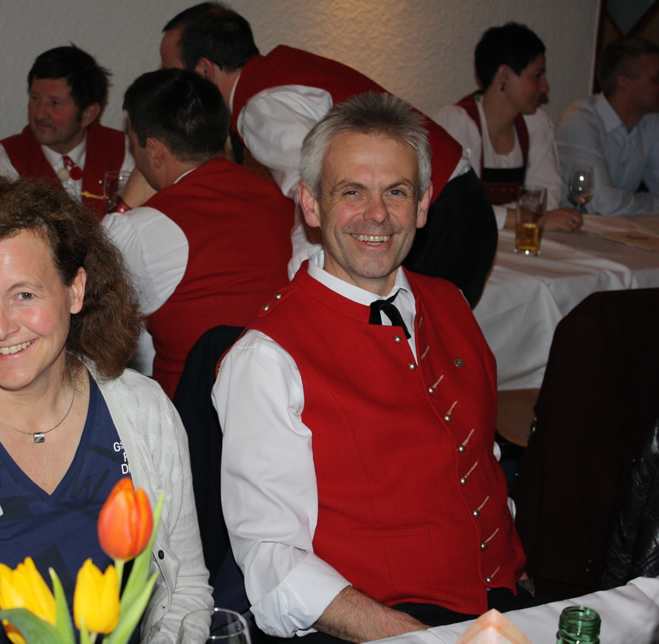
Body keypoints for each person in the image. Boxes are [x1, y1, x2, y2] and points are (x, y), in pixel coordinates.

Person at [213, 94, 527, 642]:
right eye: (351, 192)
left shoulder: (451, 303)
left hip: (501, 606)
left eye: (396, 192)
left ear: (423, 206)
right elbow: (272, 558)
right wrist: (409, 635)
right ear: (311, 205)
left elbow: (481, 462)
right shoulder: (266, 357)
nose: (377, 214)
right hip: (380, 621)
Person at [0, 179, 212, 643]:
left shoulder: (144, 412)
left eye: (24, 295)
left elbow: (185, 591)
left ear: (74, 291)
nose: (0, 327)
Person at [160, 2, 498, 307]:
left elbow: (314, 197)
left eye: (173, 73)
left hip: (440, 219)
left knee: (415, 339)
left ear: (204, 70)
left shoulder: (262, 107)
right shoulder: (284, 69)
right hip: (452, 203)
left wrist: (308, 294)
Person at [102, 68, 292, 398]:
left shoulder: (147, 226)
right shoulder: (283, 200)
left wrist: (125, 204)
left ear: (154, 151)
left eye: (133, 144)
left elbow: (81, 284)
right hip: (285, 391)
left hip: (196, 414)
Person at [434, 23, 582, 232]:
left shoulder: (536, 123)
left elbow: (547, 200)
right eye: (537, 76)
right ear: (503, 74)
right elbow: (459, 207)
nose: (545, 87)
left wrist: (502, 216)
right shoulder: (457, 123)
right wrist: (531, 218)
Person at [0, 45, 134, 218]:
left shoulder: (125, 151)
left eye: (55, 103)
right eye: (35, 98)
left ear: (88, 114)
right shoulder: (2, 160)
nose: (40, 114)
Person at [556, 37, 659, 216]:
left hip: (617, 228)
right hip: (572, 229)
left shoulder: (652, 121)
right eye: (656, 78)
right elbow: (603, 204)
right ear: (625, 83)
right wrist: (657, 201)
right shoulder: (579, 122)